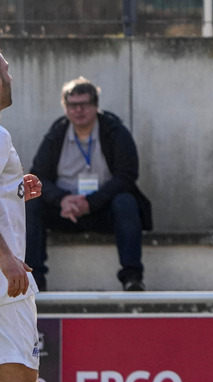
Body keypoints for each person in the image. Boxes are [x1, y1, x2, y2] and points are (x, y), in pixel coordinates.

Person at [0, 52, 97, 382]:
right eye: (4, 69)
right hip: (4, 280)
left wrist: (18, 188)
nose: (9, 76)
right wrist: (5, 257)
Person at [27, 76, 152, 292]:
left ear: (95, 106)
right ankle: (35, 281)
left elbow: (127, 176)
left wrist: (91, 203)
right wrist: (62, 199)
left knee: (126, 202)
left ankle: (132, 278)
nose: (79, 110)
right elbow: (37, 177)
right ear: (65, 108)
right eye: (73, 105)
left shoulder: (115, 131)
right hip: (65, 211)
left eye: (84, 104)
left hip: (102, 209)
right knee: (31, 205)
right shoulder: (57, 134)